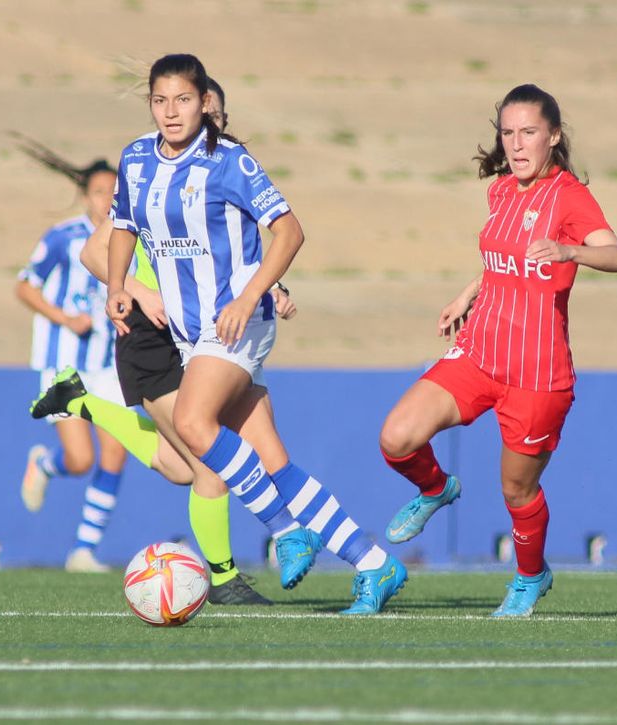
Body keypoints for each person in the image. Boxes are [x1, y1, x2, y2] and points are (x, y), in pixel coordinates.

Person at [105, 53, 407, 615]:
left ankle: (285, 529)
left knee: (195, 424)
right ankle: (373, 563)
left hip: (238, 321)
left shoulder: (229, 162)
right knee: (272, 461)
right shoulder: (137, 159)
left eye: (183, 100)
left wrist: (250, 296)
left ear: (204, 103)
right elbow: (123, 224)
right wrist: (117, 285)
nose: (171, 112)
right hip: (194, 335)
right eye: (160, 100)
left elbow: (289, 232)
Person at [378, 84, 617, 617]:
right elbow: (502, 258)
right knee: (396, 438)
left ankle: (529, 576)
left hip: (537, 374)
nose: (517, 145)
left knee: (516, 493)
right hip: (479, 353)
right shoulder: (501, 190)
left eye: (529, 133)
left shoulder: (568, 196)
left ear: (554, 136)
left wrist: (569, 249)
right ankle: (436, 489)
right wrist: (466, 295)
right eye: (508, 133)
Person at [29, 82, 286, 605]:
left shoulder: (224, 173)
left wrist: (271, 287)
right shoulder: (149, 173)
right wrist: (139, 292)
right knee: (207, 460)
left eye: (210, 111)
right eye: (190, 107)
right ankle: (223, 579)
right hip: (153, 339)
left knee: (179, 466)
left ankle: (81, 402)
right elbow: (96, 253)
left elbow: (237, 257)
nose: (198, 119)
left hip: (202, 336)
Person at [13, 138, 170, 573]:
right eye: (100, 192)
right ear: (85, 195)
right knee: (80, 461)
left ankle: (83, 550)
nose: (107, 199)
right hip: (64, 362)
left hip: (107, 362)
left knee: (117, 453)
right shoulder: (63, 238)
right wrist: (63, 317)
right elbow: (24, 286)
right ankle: (45, 464)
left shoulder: (128, 235)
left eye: (113, 191)